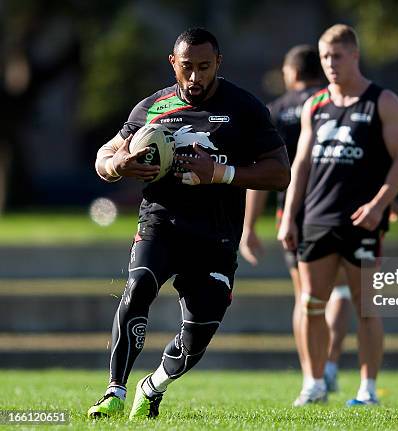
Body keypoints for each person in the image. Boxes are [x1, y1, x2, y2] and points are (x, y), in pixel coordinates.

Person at [88, 28, 290, 419]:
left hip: (216, 235)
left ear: (219, 63)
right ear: (173, 64)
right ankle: (114, 392)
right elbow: (105, 155)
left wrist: (220, 172)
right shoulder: (152, 106)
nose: (195, 77)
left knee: (198, 335)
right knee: (139, 285)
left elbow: (279, 172)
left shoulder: (244, 108)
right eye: (187, 68)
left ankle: (153, 386)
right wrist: (117, 164)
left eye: (204, 67)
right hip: (161, 223)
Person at [278, 24, 398, 406]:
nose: (331, 64)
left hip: (363, 220)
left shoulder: (382, 101)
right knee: (311, 303)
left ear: (355, 55)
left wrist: (379, 205)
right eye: (325, 57)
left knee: (365, 306)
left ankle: (367, 389)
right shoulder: (315, 105)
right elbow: (301, 164)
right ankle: (314, 383)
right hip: (317, 218)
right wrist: (290, 215)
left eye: (338, 56)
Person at [239, 44, 352, 392]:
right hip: (339, 208)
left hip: (293, 213)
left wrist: (249, 227)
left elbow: (260, 175)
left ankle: (311, 375)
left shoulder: (274, 111)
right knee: (342, 291)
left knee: (305, 296)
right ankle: (330, 364)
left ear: (290, 74)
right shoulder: (333, 104)